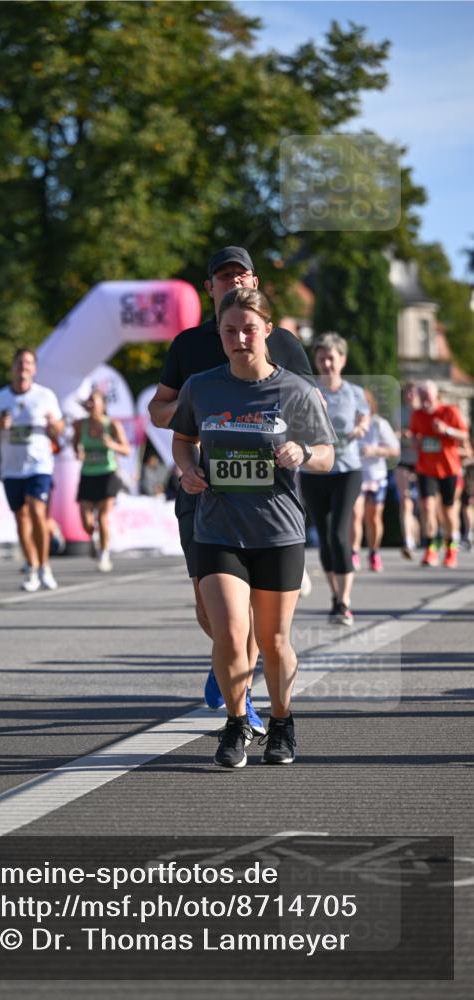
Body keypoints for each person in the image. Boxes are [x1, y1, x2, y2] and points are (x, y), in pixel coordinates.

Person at [149, 246, 315, 734]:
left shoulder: (280, 340)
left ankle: (243, 692)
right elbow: (161, 412)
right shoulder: (189, 344)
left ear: (256, 283)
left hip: (270, 504)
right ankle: (230, 650)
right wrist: (194, 407)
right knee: (212, 606)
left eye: (240, 275)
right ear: (210, 288)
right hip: (205, 491)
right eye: (223, 278)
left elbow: (309, 415)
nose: (232, 283)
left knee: (259, 625)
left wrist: (294, 447)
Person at [170, 288, 334, 767]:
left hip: (278, 533)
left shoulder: (295, 391)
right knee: (228, 630)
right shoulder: (201, 386)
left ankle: (282, 720)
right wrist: (187, 468)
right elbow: (183, 438)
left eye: (248, 329)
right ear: (219, 334)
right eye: (229, 330)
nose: (240, 338)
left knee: (274, 641)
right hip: (218, 528)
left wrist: (303, 453)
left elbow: (327, 454)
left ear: (267, 331)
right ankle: (237, 722)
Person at [300, 332, 370, 626]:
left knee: (340, 534)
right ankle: (335, 596)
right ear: (316, 360)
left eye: (332, 357)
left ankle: (345, 601)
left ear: (342, 359)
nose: (327, 363)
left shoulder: (353, 392)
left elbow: (364, 418)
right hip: (314, 470)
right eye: (321, 358)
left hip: (347, 469)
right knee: (325, 537)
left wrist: (361, 428)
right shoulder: (308, 390)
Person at [0, 348, 64, 591]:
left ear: (34, 369)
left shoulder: (45, 396)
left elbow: (59, 429)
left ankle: (44, 567)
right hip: (12, 469)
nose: (23, 368)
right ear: (12, 367)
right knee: (21, 518)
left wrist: (53, 424)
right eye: (19, 363)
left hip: (39, 465)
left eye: (28, 363)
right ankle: (32, 566)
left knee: (37, 511)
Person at [410, 380, 469, 568]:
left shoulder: (449, 411)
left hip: (449, 468)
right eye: (422, 395)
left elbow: (464, 435)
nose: (425, 399)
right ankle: (430, 549)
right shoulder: (417, 415)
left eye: (428, 395)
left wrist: (447, 430)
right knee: (427, 507)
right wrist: (414, 441)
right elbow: (414, 436)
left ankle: (451, 549)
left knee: (448, 511)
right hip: (426, 469)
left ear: (435, 395)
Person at [72, 389, 130, 572]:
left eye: (93, 401)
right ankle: (94, 539)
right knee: (86, 522)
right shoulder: (80, 425)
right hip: (88, 473)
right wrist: (78, 451)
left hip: (108, 473)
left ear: (102, 405)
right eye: (88, 401)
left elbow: (126, 450)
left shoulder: (112, 424)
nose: (89, 404)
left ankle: (104, 555)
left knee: (103, 516)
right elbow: (75, 443)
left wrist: (111, 444)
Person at [350, 389, 400, 572]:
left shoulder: (379, 424)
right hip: (355, 477)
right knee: (356, 515)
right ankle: (353, 553)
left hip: (376, 477)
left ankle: (373, 552)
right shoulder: (347, 423)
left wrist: (375, 451)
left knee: (374, 518)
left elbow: (395, 450)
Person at [393, 382, 421, 559]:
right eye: (408, 392)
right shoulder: (399, 412)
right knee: (405, 502)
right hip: (403, 460)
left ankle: (425, 538)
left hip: (422, 462)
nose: (410, 395)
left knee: (424, 505)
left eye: (413, 392)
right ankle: (408, 541)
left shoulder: (423, 413)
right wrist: (402, 434)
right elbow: (391, 435)